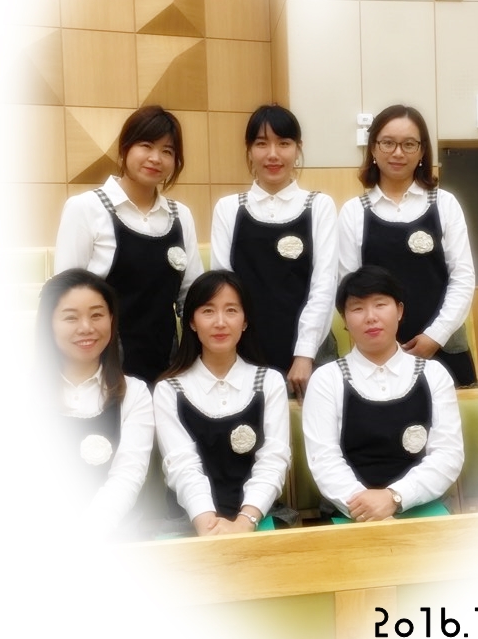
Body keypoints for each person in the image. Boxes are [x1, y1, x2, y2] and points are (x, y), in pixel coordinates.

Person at [54, 105, 203, 386]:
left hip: (166, 366)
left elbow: (191, 297)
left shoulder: (180, 215)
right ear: (125, 149)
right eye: (146, 146)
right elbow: (65, 297)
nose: (155, 158)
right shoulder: (86, 208)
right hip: (103, 368)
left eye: (167, 151)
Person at [302, 266, 463, 522]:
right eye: (357, 308)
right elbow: (324, 460)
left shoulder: (433, 374)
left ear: (399, 311)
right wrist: (368, 509)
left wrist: (394, 498)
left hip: (422, 506)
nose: (371, 317)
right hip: (350, 512)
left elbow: (447, 455)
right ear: (344, 320)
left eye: (380, 305)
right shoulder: (326, 379)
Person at [338, 104, 477, 387]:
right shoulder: (354, 211)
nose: (398, 152)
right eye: (388, 143)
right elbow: (348, 287)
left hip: (444, 347)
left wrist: (435, 336)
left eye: (409, 144)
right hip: (378, 353)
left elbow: (463, 277)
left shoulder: (444, 204)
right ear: (373, 148)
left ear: (422, 150)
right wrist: (384, 345)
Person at [210, 104, 338, 402]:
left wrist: (305, 354)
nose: (272, 154)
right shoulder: (229, 208)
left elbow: (324, 285)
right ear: (249, 150)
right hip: (245, 353)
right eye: (261, 143)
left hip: (310, 353)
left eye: (283, 143)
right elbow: (223, 290)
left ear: (298, 148)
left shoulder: (318, 206)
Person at [153, 270, 291, 535]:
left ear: (245, 321)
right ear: (192, 322)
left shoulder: (269, 381)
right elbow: (182, 467)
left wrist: (244, 522)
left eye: (231, 311)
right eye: (208, 311)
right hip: (191, 521)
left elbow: (273, 460)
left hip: (258, 516)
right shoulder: (169, 389)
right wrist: (209, 526)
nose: (220, 322)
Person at [35, 268, 155, 536]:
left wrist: (87, 534)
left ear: (112, 320)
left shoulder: (134, 393)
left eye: (97, 315)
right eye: (70, 317)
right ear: (49, 324)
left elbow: (128, 475)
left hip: (114, 538)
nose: (86, 328)